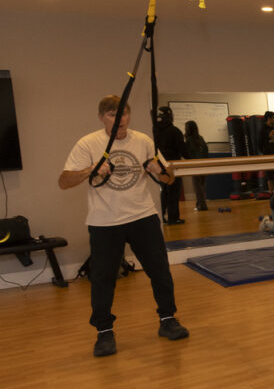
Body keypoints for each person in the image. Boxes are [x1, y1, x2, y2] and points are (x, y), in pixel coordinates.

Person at [59, 96, 190, 357]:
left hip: (143, 216)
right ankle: (104, 332)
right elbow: (63, 182)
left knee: (160, 271)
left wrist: (159, 170)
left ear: (129, 116)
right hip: (105, 222)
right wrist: (91, 169)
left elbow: (170, 178)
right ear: (101, 117)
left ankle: (167, 320)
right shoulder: (88, 143)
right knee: (103, 279)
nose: (119, 120)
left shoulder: (143, 141)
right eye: (112, 115)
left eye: (124, 114)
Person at [155, 105, 185, 224]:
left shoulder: (154, 131)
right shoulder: (175, 131)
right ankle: (173, 217)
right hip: (173, 166)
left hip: (159, 166)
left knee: (163, 192)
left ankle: (161, 216)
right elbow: (182, 149)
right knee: (173, 192)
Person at [183, 120, 209, 211]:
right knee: (202, 185)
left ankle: (201, 205)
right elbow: (206, 150)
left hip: (194, 165)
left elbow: (186, 153)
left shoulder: (189, 140)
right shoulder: (200, 138)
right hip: (204, 164)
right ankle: (201, 203)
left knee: (197, 186)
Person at [259, 110, 274, 193]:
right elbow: (259, 145)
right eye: (273, 118)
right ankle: (271, 195)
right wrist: (266, 154)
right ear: (269, 119)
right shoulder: (263, 130)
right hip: (269, 158)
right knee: (270, 178)